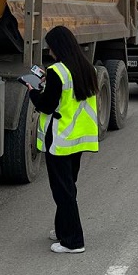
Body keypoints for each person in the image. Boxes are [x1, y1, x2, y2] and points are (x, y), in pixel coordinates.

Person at [27, 25, 99, 254]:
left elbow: (46, 105)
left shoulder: (58, 71)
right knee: (69, 187)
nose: (49, 52)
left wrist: (32, 90)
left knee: (63, 191)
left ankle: (73, 241)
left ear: (58, 47)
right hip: (77, 138)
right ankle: (62, 230)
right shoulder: (86, 68)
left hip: (59, 139)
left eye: (50, 47)